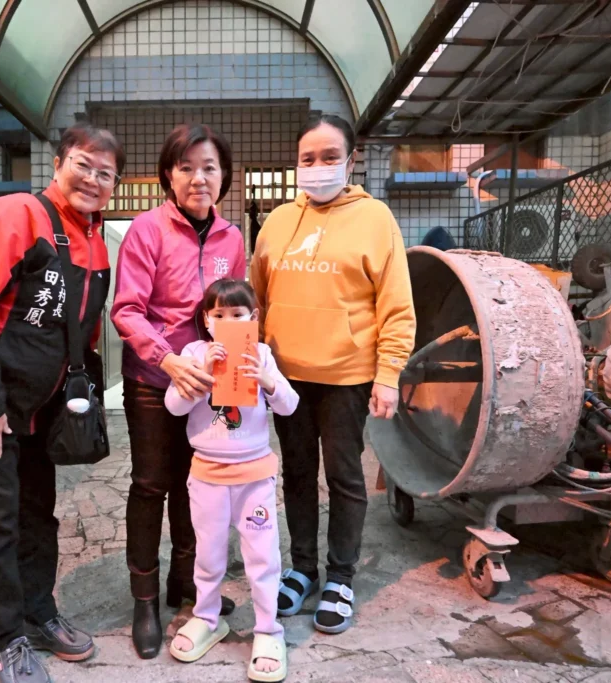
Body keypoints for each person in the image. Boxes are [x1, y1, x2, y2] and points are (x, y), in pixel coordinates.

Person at [0, 123, 124, 683]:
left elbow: (80, 332)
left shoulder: (95, 240)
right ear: (58, 163)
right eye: (83, 164)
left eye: (105, 173)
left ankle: (38, 614)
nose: (92, 179)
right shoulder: (15, 214)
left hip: (39, 411)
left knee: (38, 516)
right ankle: (4, 642)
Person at [250, 114, 416, 635]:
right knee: (297, 474)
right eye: (308, 158)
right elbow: (256, 298)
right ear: (296, 164)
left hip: (347, 375)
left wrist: (388, 374)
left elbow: (397, 306)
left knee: (344, 476)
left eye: (329, 157)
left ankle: (341, 577)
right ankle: (303, 569)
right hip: (286, 379)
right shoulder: (278, 221)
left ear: (351, 161)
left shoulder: (375, 219)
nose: (318, 166)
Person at [111, 123, 246, 659]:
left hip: (207, 387)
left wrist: (233, 386)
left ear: (224, 175)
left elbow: (236, 314)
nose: (198, 178)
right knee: (150, 485)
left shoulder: (231, 238)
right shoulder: (147, 230)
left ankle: (186, 584)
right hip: (152, 381)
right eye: (186, 167)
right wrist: (167, 358)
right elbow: (126, 309)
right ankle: (144, 599)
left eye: (209, 167)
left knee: (198, 487)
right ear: (168, 175)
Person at [165, 278, 297, 682]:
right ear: (207, 320)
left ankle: (268, 630)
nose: (228, 321)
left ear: (253, 318)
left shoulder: (262, 354)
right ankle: (207, 617)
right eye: (219, 314)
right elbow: (173, 406)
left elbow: (290, 406)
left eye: (237, 314)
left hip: (254, 475)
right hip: (207, 474)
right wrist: (202, 373)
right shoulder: (193, 353)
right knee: (207, 554)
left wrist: (268, 381)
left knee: (262, 557)